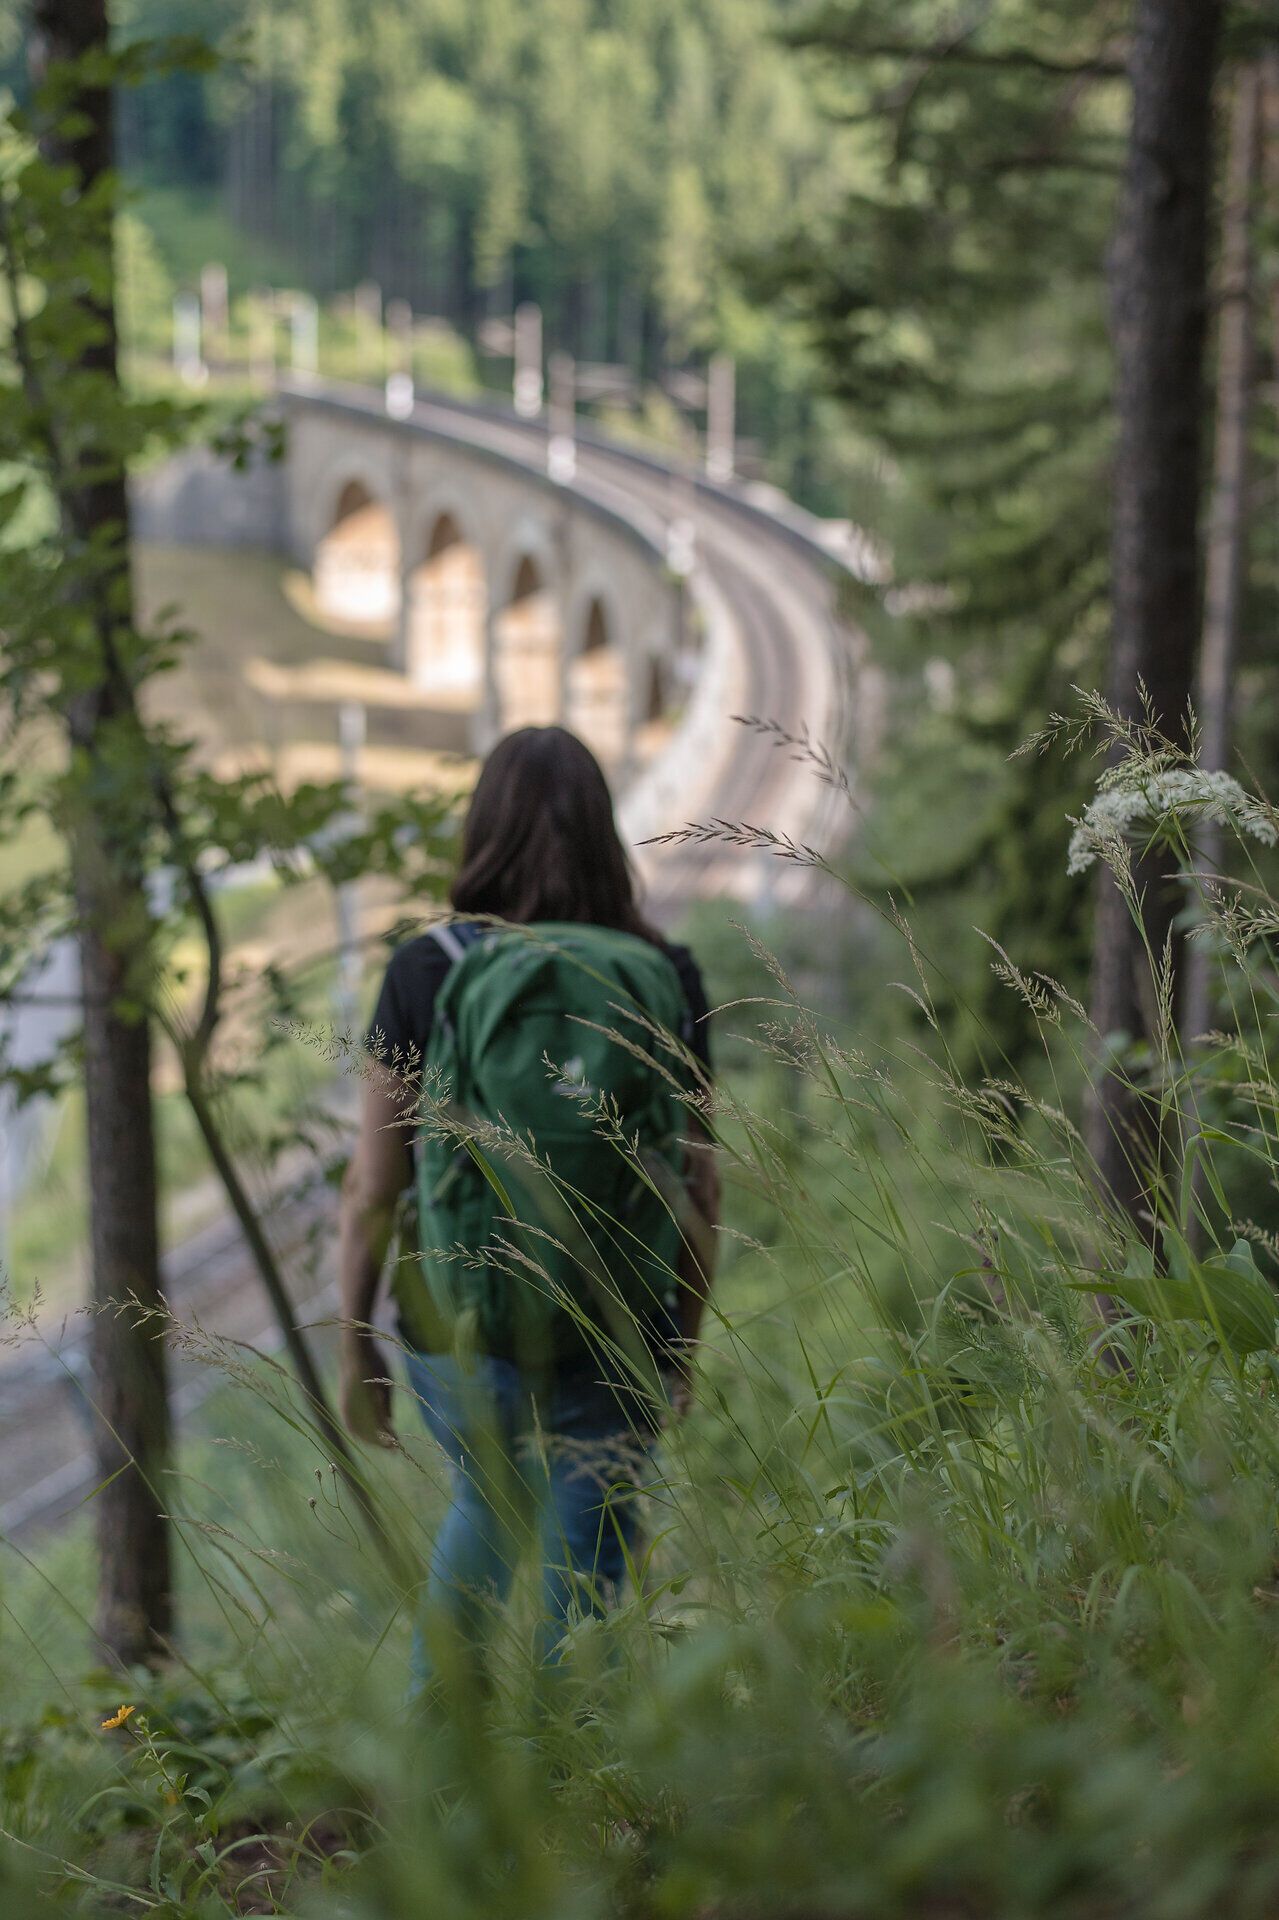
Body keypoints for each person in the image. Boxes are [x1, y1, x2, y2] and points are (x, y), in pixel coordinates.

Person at [337, 725, 718, 1686]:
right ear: (603, 834)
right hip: (615, 1319)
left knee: (486, 1508)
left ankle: (444, 1767)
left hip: (456, 1318)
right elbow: (698, 1183)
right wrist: (680, 1338)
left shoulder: (427, 968)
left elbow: (372, 1187)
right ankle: (571, 1775)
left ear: (484, 831)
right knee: (590, 1544)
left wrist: (356, 1343)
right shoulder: (664, 975)